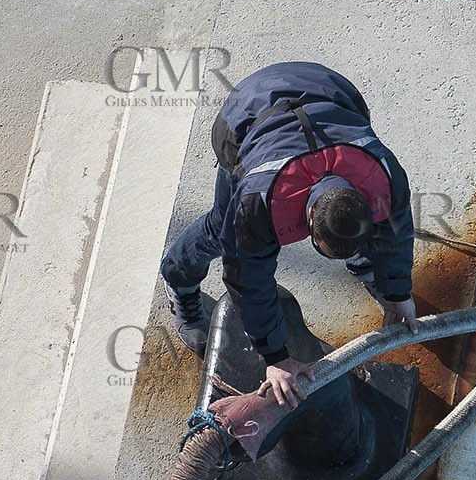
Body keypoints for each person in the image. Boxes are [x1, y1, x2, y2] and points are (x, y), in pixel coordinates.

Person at [159, 61, 417, 407]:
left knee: (360, 236)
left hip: (327, 89)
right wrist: (275, 358)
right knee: (221, 229)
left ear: (364, 197)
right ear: (308, 217)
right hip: (245, 115)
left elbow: (395, 234)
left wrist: (398, 291)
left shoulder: (383, 175)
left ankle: (363, 265)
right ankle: (178, 280)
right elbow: (249, 280)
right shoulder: (257, 204)